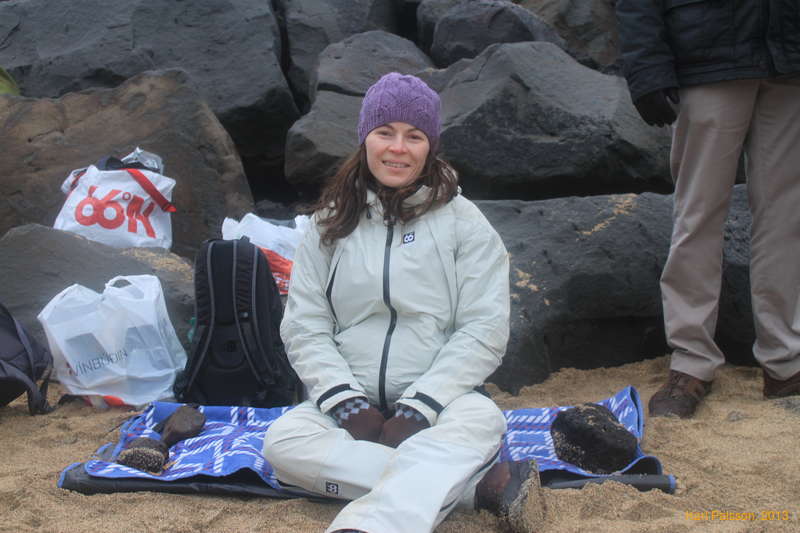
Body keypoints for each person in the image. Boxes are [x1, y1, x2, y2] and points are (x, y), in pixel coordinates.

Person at [262, 73, 538, 533]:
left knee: (482, 422)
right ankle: (473, 488)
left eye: (414, 136)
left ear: (430, 146)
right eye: (384, 132)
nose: (398, 148)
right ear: (364, 138)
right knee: (283, 444)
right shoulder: (328, 224)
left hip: (441, 402)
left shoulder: (465, 225)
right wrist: (346, 403)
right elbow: (306, 325)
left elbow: (483, 329)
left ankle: (371, 525)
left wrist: (419, 409)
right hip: (352, 403)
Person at [616, 1, 800, 418]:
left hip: (789, 62)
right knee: (697, 217)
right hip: (708, 58)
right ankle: (691, 362)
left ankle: (787, 360)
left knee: (788, 219)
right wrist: (647, 69)